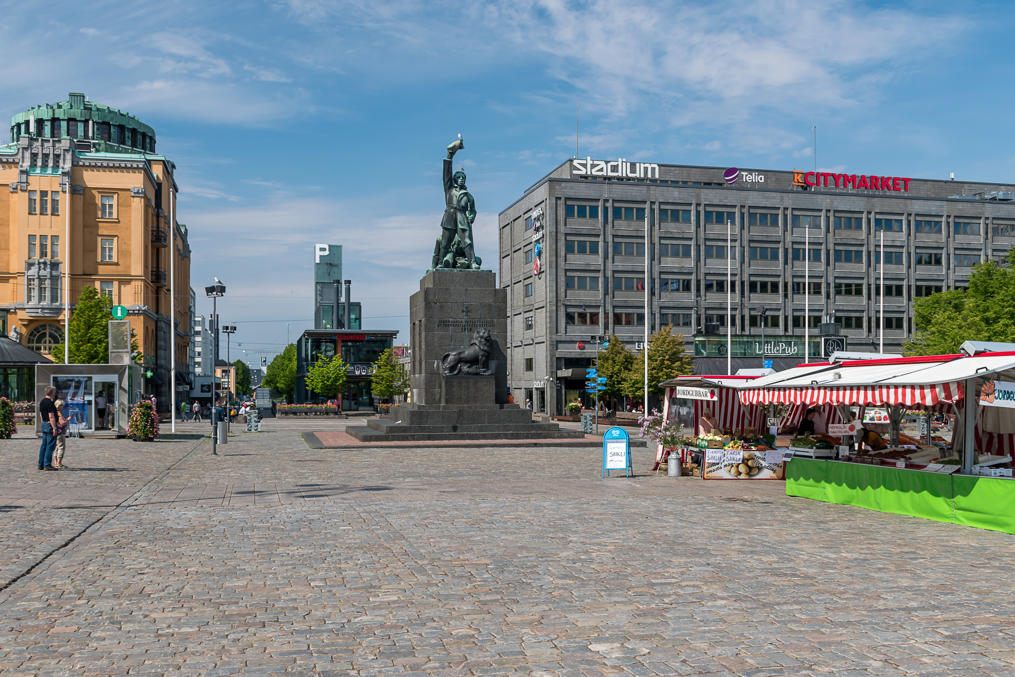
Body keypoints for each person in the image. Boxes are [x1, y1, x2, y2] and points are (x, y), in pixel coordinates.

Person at [433, 135, 480, 270]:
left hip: (461, 216)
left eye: (463, 177)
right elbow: (446, 175)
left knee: (467, 240)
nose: (461, 179)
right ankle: (441, 262)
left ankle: (472, 262)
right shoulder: (449, 189)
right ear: (454, 179)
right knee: (446, 242)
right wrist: (450, 156)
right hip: (449, 214)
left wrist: (471, 216)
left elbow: (473, 210)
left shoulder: (468, 195)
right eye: (458, 177)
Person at [37, 386, 58, 470]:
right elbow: (51, 416)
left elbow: (41, 414)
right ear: (52, 393)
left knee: (44, 445)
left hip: (44, 424)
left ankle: (40, 464)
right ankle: (47, 465)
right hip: (50, 424)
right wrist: (54, 428)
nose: (55, 393)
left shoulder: (42, 401)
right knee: (50, 446)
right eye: (54, 392)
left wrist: (43, 423)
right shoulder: (49, 402)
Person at [53, 399, 69, 469]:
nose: (62, 407)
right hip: (60, 432)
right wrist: (68, 419)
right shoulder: (58, 413)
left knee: (56, 448)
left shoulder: (53, 412)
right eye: (61, 405)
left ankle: (56, 462)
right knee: (61, 448)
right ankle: (59, 463)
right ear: (58, 406)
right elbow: (62, 423)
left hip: (56, 432)